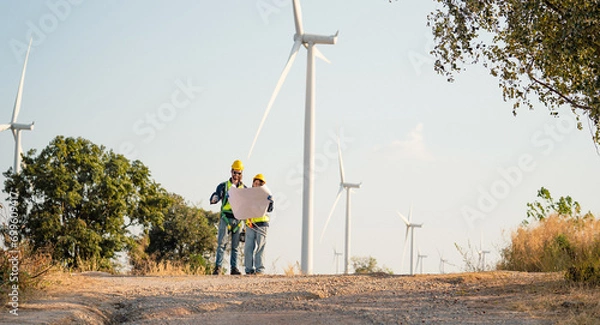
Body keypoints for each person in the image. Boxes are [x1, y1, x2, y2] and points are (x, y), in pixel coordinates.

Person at [210, 159, 246, 275]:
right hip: (226, 217)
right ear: (231, 172)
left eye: (238, 173)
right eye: (234, 172)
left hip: (238, 220)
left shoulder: (245, 189)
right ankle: (218, 267)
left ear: (241, 174)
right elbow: (217, 194)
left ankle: (234, 268)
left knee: (235, 246)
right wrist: (214, 198)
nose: (236, 175)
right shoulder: (223, 186)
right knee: (222, 243)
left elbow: (247, 206)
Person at [244, 173, 273, 275]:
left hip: (262, 224)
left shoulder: (266, 195)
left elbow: (270, 209)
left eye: (258, 183)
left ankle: (259, 270)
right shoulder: (249, 195)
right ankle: (248, 269)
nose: (256, 185)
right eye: (255, 183)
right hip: (251, 224)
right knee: (248, 247)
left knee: (260, 247)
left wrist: (270, 201)